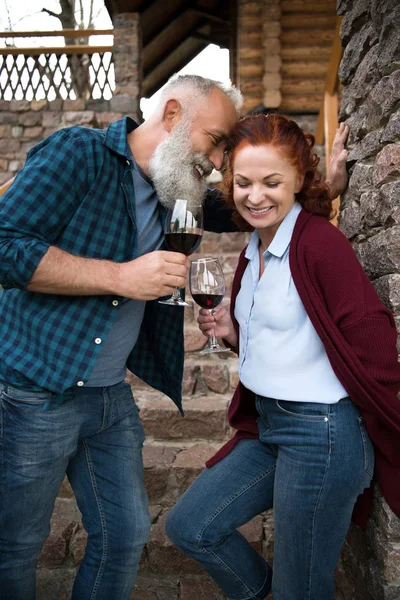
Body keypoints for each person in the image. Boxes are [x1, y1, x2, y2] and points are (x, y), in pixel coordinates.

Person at [0, 74, 242, 600]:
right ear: (173, 116)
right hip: (34, 395)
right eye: (217, 140)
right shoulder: (78, 153)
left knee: (125, 536)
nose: (220, 163)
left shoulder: (176, 182)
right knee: (16, 546)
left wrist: (320, 186)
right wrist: (121, 276)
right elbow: (4, 246)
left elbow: (244, 200)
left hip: (109, 398)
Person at [166, 113, 400, 600]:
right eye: (244, 182)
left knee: (303, 590)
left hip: (322, 435)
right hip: (270, 427)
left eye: (272, 182)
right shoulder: (256, 246)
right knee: (191, 527)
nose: (256, 196)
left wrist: (385, 411)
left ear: (299, 180)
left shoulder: (319, 243)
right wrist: (233, 331)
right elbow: (281, 336)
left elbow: (372, 333)